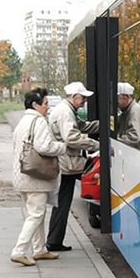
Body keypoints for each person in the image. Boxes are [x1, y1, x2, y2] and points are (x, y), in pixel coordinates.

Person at [11, 88, 67, 266]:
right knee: (36, 215)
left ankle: (40, 250)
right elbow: (44, 147)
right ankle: (19, 251)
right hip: (35, 178)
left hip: (22, 175)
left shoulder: (23, 121)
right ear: (35, 105)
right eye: (45, 104)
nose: (47, 108)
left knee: (36, 214)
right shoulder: (39, 121)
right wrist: (62, 147)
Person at [47, 81, 100, 251]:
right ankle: (54, 241)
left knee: (62, 202)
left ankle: (54, 240)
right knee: (62, 202)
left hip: (66, 162)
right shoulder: (65, 113)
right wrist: (96, 145)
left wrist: (104, 123)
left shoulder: (68, 110)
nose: (84, 101)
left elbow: (82, 126)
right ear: (74, 96)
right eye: (83, 97)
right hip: (66, 163)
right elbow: (72, 137)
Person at [117, 82, 140, 150]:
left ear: (126, 97)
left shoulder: (135, 111)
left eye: (117, 97)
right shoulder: (126, 112)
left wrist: (115, 140)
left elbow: (134, 138)